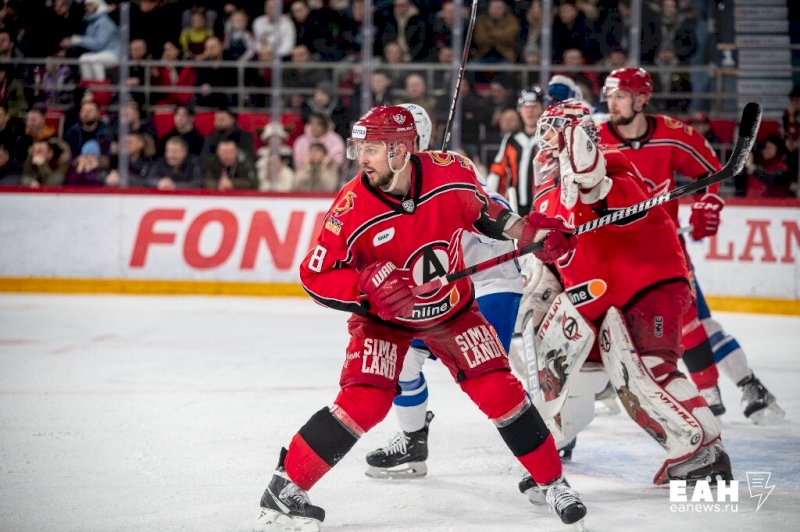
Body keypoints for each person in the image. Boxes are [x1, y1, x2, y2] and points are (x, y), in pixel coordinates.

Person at [240, 105, 586, 531]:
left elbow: (483, 212)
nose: (360, 158)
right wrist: (365, 286)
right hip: (383, 320)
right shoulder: (350, 207)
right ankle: (286, 485)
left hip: (453, 311)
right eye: (359, 148)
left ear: (401, 150)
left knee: (499, 389)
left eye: (370, 148)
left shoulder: (451, 171)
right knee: (364, 400)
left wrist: (530, 233)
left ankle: (551, 482)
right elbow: (315, 275)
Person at [521, 99, 729, 491]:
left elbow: (600, 182)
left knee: (649, 368)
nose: (541, 138)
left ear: (573, 132)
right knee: (571, 377)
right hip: (597, 302)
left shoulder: (610, 161)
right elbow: (551, 246)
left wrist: (586, 171)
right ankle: (551, 448)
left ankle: (704, 450)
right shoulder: (547, 187)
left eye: (551, 129)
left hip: (644, 286)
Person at [597, 67, 785, 423]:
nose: (612, 103)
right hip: (614, 252)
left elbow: (713, 170)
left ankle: (733, 388)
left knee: (690, 321)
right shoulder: (597, 137)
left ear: (641, 98)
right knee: (622, 322)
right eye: (609, 95)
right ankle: (742, 386)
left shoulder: (671, 134)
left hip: (663, 249)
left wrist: (708, 201)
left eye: (620, 95)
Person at [363, 103, 524, 479]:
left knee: (490, 374)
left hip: (491, 282)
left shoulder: (454, 170)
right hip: (444, 288)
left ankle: (539, 457)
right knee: (401, 358)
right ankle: (413, 442)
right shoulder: (392, 186)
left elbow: (493, 208)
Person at [487, 88, 546, 215]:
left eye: (534, 106)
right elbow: (497, 170)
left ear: (542, 109)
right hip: (514, 205)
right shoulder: (511, 139)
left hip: (543, 204)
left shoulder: (549, 138)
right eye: (526, 107)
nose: (530, 111)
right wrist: (488, 198)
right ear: (520, 110)